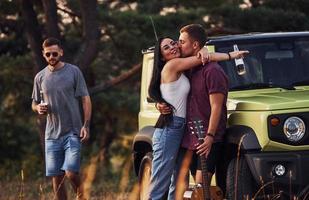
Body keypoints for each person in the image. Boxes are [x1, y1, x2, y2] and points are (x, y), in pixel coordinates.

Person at [148, 31, 248, 199]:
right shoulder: (173, 65)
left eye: (173, 43)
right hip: (169, 129)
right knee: (160, 182)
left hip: (182, 129)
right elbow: (205, 58)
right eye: (166, 47)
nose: (173, 47)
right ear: (162, 57)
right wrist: (230, 55)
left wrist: (204, 50)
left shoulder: (185, 69)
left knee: (179, 183)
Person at [31, 37, 92, 200]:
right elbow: (34, 102)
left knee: (71, 172)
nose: (51, 57)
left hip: (73, 131)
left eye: (54, 53)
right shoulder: (40, 77)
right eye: (48, 54)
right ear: (44, 55)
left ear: (61, 53)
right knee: (57, 178)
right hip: (51, 135)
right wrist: (37, 108)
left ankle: (82, 197)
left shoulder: (74, 71)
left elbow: (85, 99)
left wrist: (85, 125)